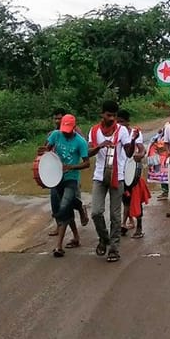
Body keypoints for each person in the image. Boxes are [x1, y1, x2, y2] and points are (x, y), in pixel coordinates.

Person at [86, 100, 134, 262]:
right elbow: (88, 153)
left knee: (115, 215)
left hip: (117, 176)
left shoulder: (122, 131)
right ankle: (104, 238)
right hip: (99, 176)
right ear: (102, 114)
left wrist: (132, 141)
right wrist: (100, 146)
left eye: (114, 115)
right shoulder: (94, 131)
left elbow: (128, 153)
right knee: (96, 212)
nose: (112, 118)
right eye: (109, 115)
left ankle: (114, 248)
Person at [42, 114, 89, 257]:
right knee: (67, 208)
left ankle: (58, 246)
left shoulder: (80, 142)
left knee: (63, 210)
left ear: (74, 127)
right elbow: (47, 151)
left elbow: (87, 163)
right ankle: (76, 231)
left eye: (68, 129)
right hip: (56, 177)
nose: (65, 132)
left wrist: (71, 167)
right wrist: (44, 153)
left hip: (71, 178)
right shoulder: (56, 135)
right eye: (63, 129)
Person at [117, 109, 149, 239]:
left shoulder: (135, 134)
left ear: (128, 122)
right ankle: (124, 224)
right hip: (121, 172)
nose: (119, 124)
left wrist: (139, 156)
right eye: (118, 122)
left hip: (133, 172)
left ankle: (139, 227)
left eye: (122, 122)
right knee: (125, 200)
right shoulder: (116, 133)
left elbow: (142, 149)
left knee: (136, 200)